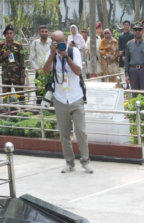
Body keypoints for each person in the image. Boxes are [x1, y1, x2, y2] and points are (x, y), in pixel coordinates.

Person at [44, 31, 92, 174]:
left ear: (66, 39)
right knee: (64, 134)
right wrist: (53, 53)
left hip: (75, 97)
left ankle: (86, 161)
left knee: (81, 131)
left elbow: (77, 71)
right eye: (55, 42)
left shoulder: (74, 51)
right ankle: (69, 163)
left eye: (61, 41)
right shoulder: (51, 54)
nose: (59, 44)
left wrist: (66, 56)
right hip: (60, 99)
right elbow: (46, 72)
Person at [0, 24, 26, 102]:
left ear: (14, 35)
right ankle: (7, 111)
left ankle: (23, 110)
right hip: (6, 74)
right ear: (5, 35)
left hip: (16, 74)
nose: (9, 35)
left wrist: (22, 75)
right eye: (7, 33)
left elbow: (22, 61)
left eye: (11, 33)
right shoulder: (1, 46)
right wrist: (4, 56)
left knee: (20, 94)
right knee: (6, 95)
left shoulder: (18, 46)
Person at [124, 22, 144, 94]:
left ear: (142, 30)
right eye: (135, 29)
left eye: (139, 29)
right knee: (134, 94)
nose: (137, 31)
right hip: (133, 71)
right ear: (133, 31)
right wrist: (127, 74)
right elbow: (126, 60)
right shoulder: (129, 44)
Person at [29, 25, 53, 104]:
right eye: (42, 31)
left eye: (46, 32)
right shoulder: (35, 43)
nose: (44, 33)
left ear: (48, 32)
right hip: (39, 72)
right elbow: (31, 58)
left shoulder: (51, 43)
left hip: (50, 72)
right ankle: (39, 110)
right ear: (39, 32)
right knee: (38, 92)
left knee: (50, 91)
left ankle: (50, 109)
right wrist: (37, 68)